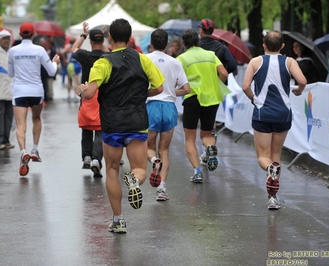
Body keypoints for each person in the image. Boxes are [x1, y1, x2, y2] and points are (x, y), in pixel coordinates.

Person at [75, 18, 164, 233]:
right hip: (137, 122)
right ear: (130, 36)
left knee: (113, 170)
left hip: (112, 124)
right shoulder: (142, 60)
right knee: (140, 168)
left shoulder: (103, 63)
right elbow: (159, 88)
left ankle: (118, 220)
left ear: (111, 38)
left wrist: (81, 90)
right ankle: (134, 179)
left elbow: (90, 93)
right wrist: (143, 93)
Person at [242, 31, 306, 210]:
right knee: (276, 155)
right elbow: (302, 81)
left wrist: (254, 99)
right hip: (283, 114)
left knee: (264, 156)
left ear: (263, 45)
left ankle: (270, 174)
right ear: (283, 46)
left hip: (262, 113)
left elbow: (245, 86)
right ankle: (273, 197)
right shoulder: (289, 61)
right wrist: (298, 91)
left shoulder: (255, 62)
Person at [8, 22, 60, 177]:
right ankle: (35, 149)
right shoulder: (40, 50)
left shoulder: (12, 51)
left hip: (19, 92)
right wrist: (55, 63)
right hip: (36, 91)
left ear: (19, 34)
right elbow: (51, 72)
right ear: (34, 34)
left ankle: (23, 151)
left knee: (20, 124)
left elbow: (11, 74)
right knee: (36, 118)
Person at [176, 29, 228, 183]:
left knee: (190, 139)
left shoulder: (181, 58)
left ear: (183, 43)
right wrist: (215, 85)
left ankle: (197, 172)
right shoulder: (211, 55)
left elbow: (177, 79)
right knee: (206, 134)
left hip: (192, 98)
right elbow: (224, 73)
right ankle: (210, 149)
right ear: (198, 41)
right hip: (211, 98)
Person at [146, 29, 190, 200]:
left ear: (151, 43)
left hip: (151, 106)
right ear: (167, 44)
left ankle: (153, 161)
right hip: (169, 107)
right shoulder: (175, 62)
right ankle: (162, 189)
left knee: (149, 147)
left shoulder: (145, 59)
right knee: (164, 149)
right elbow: (187, 89)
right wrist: (171, 92)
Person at [72, 22, 109, 177]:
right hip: (103, 96)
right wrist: (102, 41)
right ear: (102, 41)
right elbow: (110, 52)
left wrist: (84, 35)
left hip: (86, 94)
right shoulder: (108, 57)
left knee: (87, 126)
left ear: (91, 42)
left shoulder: (85, 55)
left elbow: (74, 48)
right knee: (100, 129)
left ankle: (86, 157)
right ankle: (96, 159)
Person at [61, 37, 82, 102]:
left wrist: (64, 59)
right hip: (76, 64)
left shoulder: (68, 47)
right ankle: (75, 97)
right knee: (76, 81)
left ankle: (69, 96)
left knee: (69, 81)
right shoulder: (78, 47)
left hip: (70, 64)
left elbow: (62, 52)